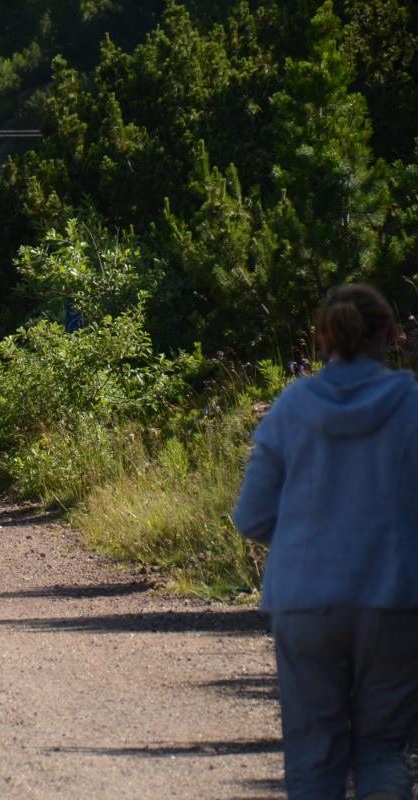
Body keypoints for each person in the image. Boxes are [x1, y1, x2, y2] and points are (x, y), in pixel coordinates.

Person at [233, 284, 418, 800]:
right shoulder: (412, 407)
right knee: (384, 751)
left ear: (323, 336)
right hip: (397, 598)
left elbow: (251, 516)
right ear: (389, 333)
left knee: (314, 755)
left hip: (304, 601)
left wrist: (302, 537)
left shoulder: (290, 409)